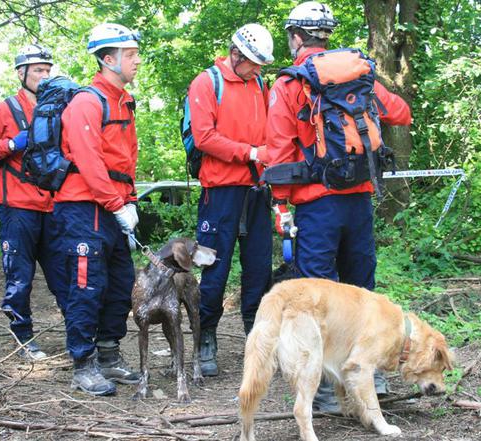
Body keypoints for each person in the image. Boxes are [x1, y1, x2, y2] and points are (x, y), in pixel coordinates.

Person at [265, 2, 413, 411]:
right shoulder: (358, 73)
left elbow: (278, 153)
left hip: (317, 204)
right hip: (360, 199)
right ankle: (371, 376)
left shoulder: (290, 84)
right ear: (327, 34)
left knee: (318, 296)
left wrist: (280, 207)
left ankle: (328, 387)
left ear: (296, 37)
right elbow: (401, 113)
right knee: (362, 291)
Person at [54, 23, 142, 396]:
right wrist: (115, 203)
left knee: (121, 284)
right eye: (131, 55)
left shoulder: (123, 101)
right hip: (84, 207)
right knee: (88, 286)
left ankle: (109, 355)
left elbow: (127, 159)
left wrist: (131, 202)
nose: (137, 61)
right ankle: (83, 363)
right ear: (109, 59)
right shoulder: (88, 103)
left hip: (114, 206)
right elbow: (89, 162)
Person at [0, 44, 67, 361]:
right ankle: (22, 338)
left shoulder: (60, 109)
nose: (45, 75)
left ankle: (77, 334)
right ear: (21, 74)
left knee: (63, 274)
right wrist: (11, 143)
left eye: (48, 70)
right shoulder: (4, 110)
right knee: (19, 276)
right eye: (38, 70)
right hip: (16, 207)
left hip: (53, 205)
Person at [187, 23, 275, 377]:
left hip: (257, 192)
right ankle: (205, 335)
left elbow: (272, 132)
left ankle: (256, 340)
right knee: (213, 269)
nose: (258, 70)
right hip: (220, 192)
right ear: (235, 54)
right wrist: (252, 152)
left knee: (259, 270)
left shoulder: (260, 85)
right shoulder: (207, 82)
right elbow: (204, 137)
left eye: (261, 64)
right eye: (253, 62)